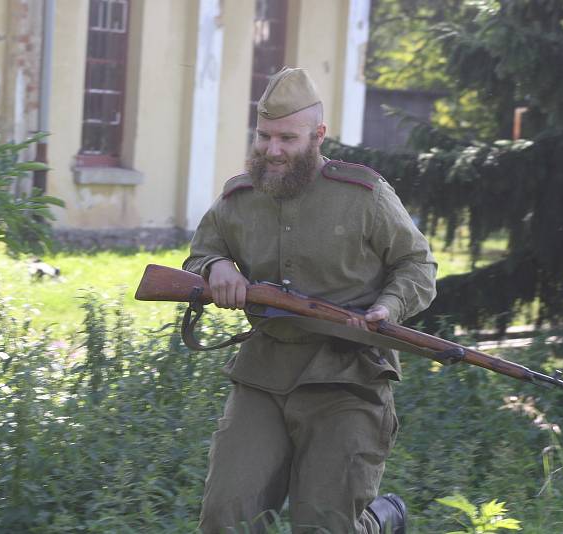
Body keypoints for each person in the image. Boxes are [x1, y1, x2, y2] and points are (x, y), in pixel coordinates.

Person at [183, 66, 437, 533]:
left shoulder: (365, 196)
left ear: (319, 135)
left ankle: (378, 522)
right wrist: (214, 267)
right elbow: (202, 251)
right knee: (225, 518)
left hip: (348, 378)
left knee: (323, 526)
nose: (272, 150)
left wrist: (390, 306)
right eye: (264, 136)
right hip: (263, 375)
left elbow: (418, 266)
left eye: (287, 138)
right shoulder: (239, 197)